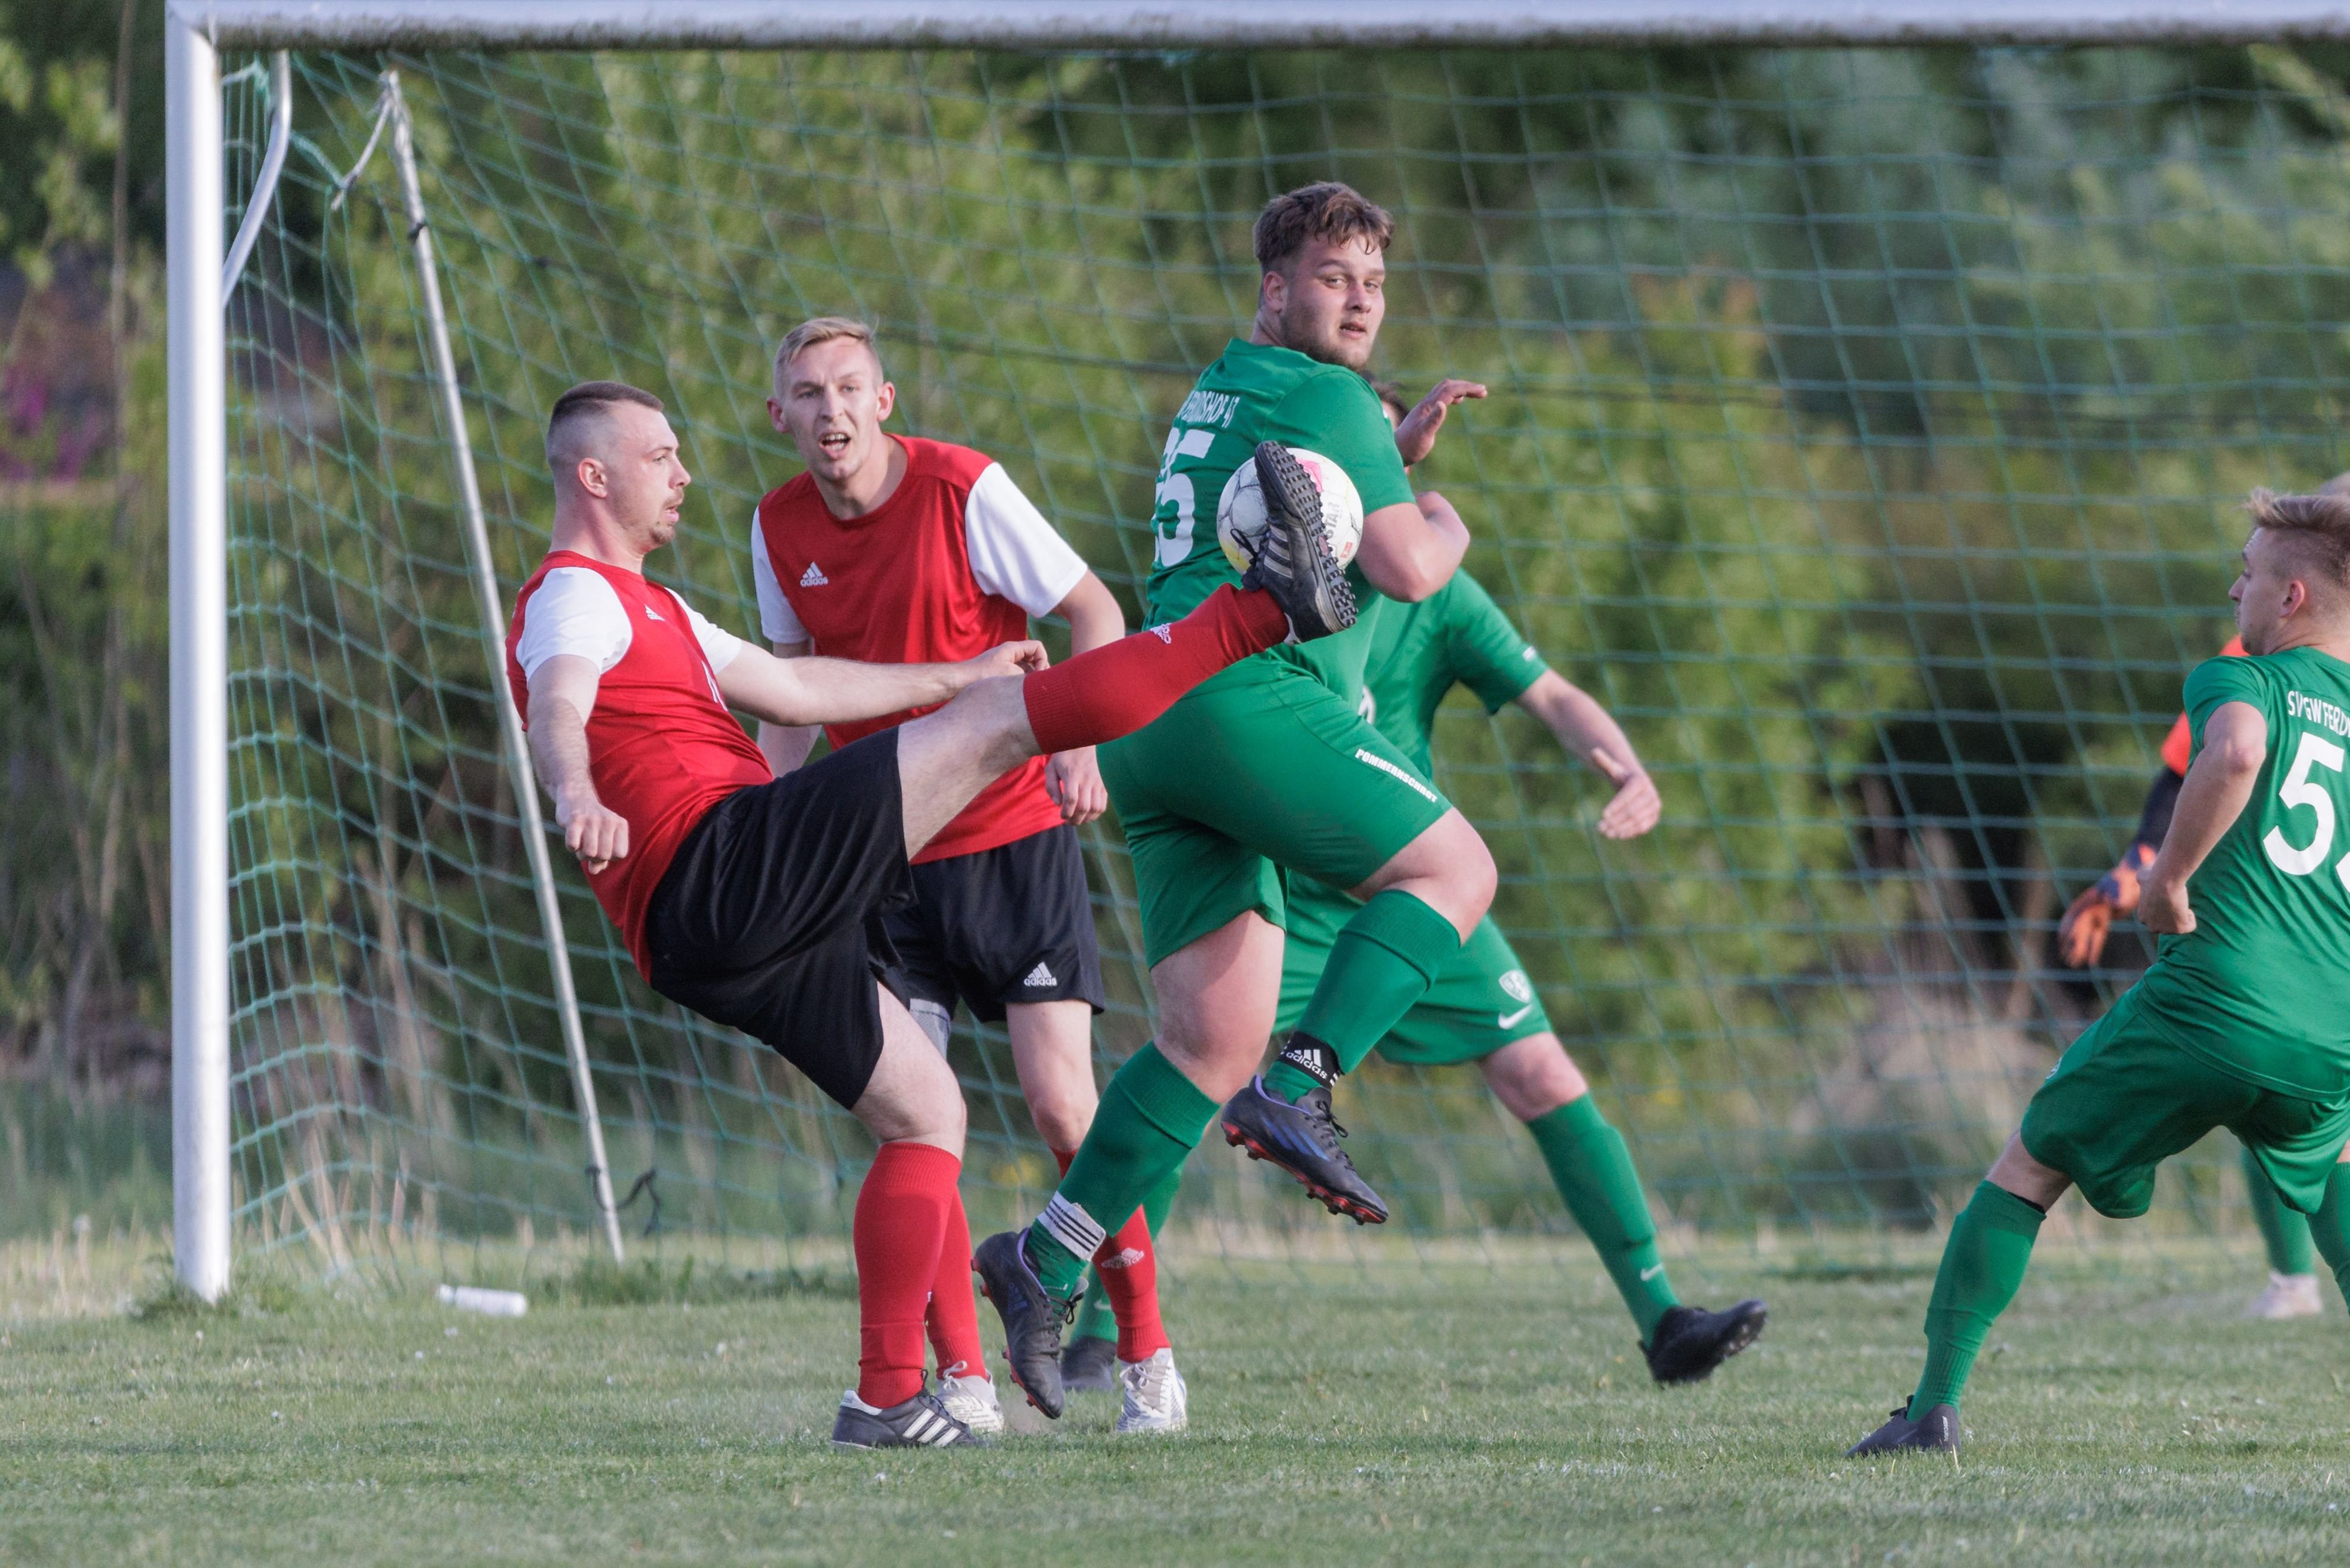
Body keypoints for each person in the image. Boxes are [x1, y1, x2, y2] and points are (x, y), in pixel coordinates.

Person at [505, 378, 1350, 1449]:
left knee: (926, 1114)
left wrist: (955, 673)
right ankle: (1266, 611)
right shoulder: (572, 595)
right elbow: (558, 701)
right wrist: (574, 791)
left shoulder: (660, 607)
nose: (682, 474)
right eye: (660, 456)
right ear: (593, 474)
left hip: (705, 929)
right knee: (1011, 724)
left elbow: (795, 689)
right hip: (717, 862)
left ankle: (885, 1399)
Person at [975, 180, 1507, 1420]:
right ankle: (1308, 1076)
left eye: (1373, 281)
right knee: (1455, 872)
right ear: (1274, 287)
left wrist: (1386, 452)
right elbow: (1407, 565)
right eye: (1332, 277)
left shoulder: (1224, 380)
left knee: (1206, 1040)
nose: (1360, 298)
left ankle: (1044, 1254)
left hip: (1151, 717)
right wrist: (1441, 506)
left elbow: (1296, 490)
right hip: (1238, 701)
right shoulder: (1326, 395)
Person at [1254, 380, 1767, 1380]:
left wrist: (1625, 765)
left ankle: (1666, 1320)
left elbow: (1554, 693)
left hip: (1414, 879)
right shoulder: (1263, 557)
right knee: (1197, 1068)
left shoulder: (1434, 589)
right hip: (1281, 870)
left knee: (1541, 1072)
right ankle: (1107, 1327)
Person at [748, 316, 1183, 1434]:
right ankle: (966, 1382)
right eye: (808, 393)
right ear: (779, 414)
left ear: (885, 400)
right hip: (883, 857)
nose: (830, 410)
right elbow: (792, 696)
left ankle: (1145, 1355)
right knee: (918, 1118)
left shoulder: (962, 488)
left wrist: (1078, 740)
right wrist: (744, 823)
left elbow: (1094, 610)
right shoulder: (776, 525)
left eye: (849, 387)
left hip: (1010, 834)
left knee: (1062, 1107)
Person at [1849, 489, 2350, 1456]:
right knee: (2331, 1175)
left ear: (2290, 597)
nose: (2233, 584)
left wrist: (2165, 883)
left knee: (2029, 1165)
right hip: (2331, 1023)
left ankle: (1929, 1411)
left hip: (2213, 1000)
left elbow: (2238, 752)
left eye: (2247, 570)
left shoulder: (2241, 679)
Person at [2057, 634, 2345, 1320]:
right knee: (2277, 1099)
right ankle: (2291, 1280)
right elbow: (2183, 788)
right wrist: (2125, 879)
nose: (2239, 583)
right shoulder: (2254, 652)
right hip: (2289, 945)